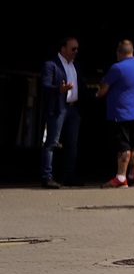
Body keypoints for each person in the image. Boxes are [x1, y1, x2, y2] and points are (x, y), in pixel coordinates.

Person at [97, 40, 134, 189]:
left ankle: (121, 177)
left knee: (123, 145)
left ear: (118, 53)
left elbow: (103, 88)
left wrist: (100, 89)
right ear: (132, 51)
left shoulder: (117, 68)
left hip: (120, 113)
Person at [39, 36, 81, 188]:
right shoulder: (51, 65)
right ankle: (47, 177)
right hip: (58, 107)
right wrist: (59, 89)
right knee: (51, 143)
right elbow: (44, 85)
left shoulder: (75, 65)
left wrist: (97, 93)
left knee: (72, 144)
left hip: (73, 108)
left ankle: (69, 176)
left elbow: (81, 85)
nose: (76, 52)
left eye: (77, 49)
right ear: (63, 49)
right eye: (73, 49)